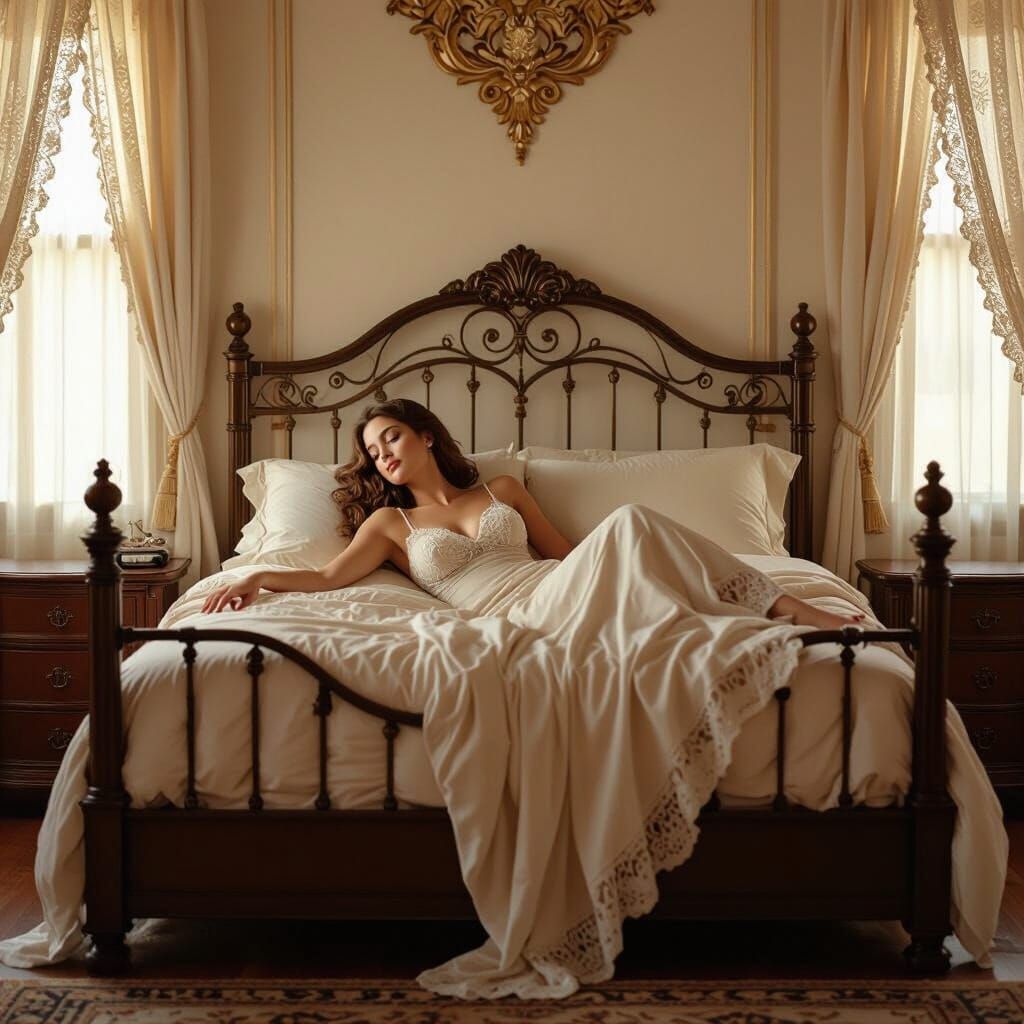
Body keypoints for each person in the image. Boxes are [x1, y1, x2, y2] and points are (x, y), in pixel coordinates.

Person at [201, 398, 863, 631]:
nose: (384, 456)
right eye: (373, 452)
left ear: (425, 435)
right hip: (510, 618)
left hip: (561, 588)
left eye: (392, 438)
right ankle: (776, 611)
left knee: (630, 525)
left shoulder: (501, 489)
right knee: (633, 523)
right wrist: (255, 578)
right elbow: (328, 580)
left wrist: (619, 569)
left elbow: (568, 555)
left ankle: (778, 607)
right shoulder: (390, 527)